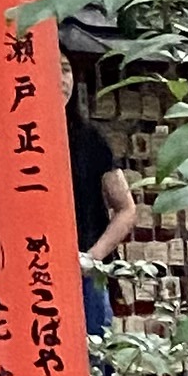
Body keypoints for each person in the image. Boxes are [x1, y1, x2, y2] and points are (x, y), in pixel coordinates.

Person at [62, 48, 135, 334]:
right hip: (27, 270)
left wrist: (92, 257)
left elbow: (126, 209)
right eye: (49, 68)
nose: (60, 79)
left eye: (65, 69)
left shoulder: (90, 139)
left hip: (84, 273)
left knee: (93, 353)